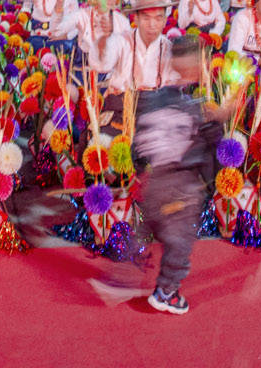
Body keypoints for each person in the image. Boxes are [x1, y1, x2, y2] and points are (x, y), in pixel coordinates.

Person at [92, 35, 227, 315]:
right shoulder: (196, 107)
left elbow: (137, 144)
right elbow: (208, 144)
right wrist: (219, 120)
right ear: (195, 65)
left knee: (148, 228)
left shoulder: (152, 99)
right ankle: (167, 292)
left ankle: (122, 278)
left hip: (154, 182)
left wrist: (141, 172)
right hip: (182, 184)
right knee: (179, 240)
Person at [111, 0, 178, 92]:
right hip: (126, 103)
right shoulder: (123, 42)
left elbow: (172, 85)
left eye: (158, 18)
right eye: (146, 18)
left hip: (158, 104)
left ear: (165, 21)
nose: (152, 24)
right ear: (136, 19)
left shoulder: (169, 49)